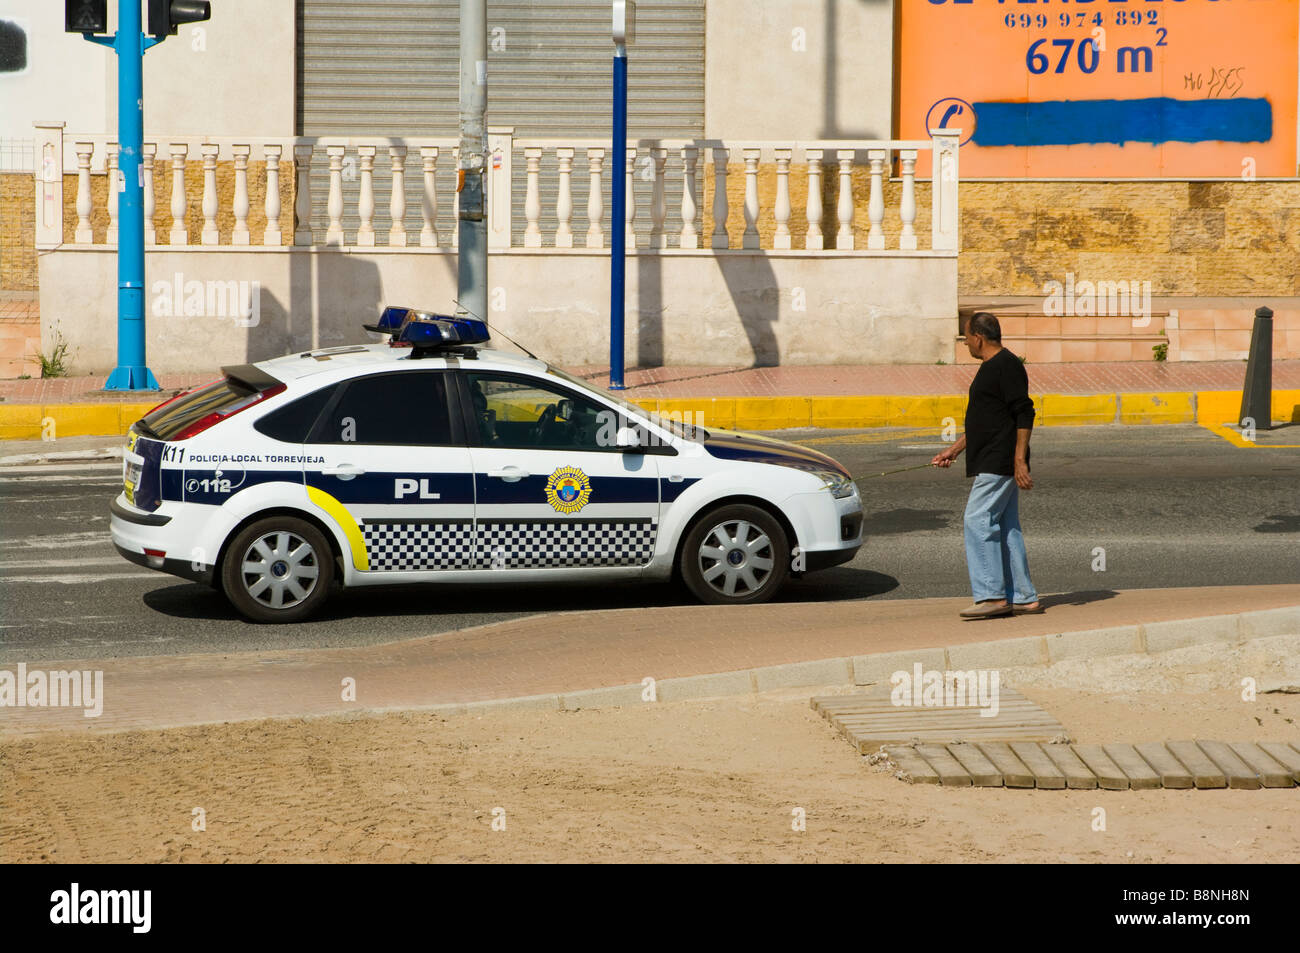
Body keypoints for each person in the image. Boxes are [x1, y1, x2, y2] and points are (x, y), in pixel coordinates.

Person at [931, 312, 1042, 618]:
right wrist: (954, 449)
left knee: (977, 521)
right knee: (1006, 528)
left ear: (978, 338)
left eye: (967, 338)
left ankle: (992, 596)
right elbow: (987, 419)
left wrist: (1019, 460)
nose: (966, 343)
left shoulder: (1006, 366)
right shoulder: (992, 367)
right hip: (993, 457)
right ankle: (1022, 596)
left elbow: (1025, 414)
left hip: (1000, 460)